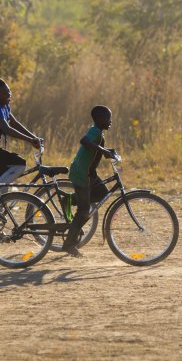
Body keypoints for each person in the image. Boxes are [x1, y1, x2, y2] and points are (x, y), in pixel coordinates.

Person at [61, 105, 116, 257]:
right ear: (99, 120)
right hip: (82, 174)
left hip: (90, 173)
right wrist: (103, 150)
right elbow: (84, 140)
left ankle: (70, 199)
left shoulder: (99, 134)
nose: (110, 121)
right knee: (84, 211)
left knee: (102, 194)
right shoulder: (94, 132)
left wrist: (108, 152)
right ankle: (69, 244)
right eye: (108, 118)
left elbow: (95, 149)